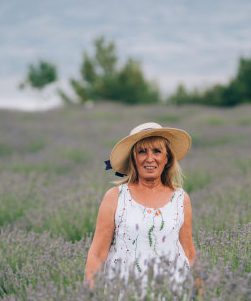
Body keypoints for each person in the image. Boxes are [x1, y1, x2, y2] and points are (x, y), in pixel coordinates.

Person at [84, 122, 196, 290]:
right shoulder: (115, 197)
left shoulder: (181, 199)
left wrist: (202, 300)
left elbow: (189, 253)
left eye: (157, 151)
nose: (149, 158)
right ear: (133, 159)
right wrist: (90, 300)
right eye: (142, 151)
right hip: (124, 294)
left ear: (167, 159)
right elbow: (97, 254)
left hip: (172, 295)